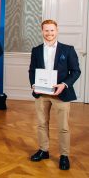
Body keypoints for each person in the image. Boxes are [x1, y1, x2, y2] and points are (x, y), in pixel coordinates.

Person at [28, 19, 80, 170]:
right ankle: (43, 150)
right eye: (46, 30)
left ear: (56, 31)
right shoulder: (36, 50)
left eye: (52, 30)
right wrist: (33, 85)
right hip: (42, 94)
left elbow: (76, 71)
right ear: (42, 31)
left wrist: (64, 85)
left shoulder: (68, 49)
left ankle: (64, 155)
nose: (49, 33)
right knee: (41, 124)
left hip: (61, 94)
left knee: (63, 127)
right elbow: (32, 71)